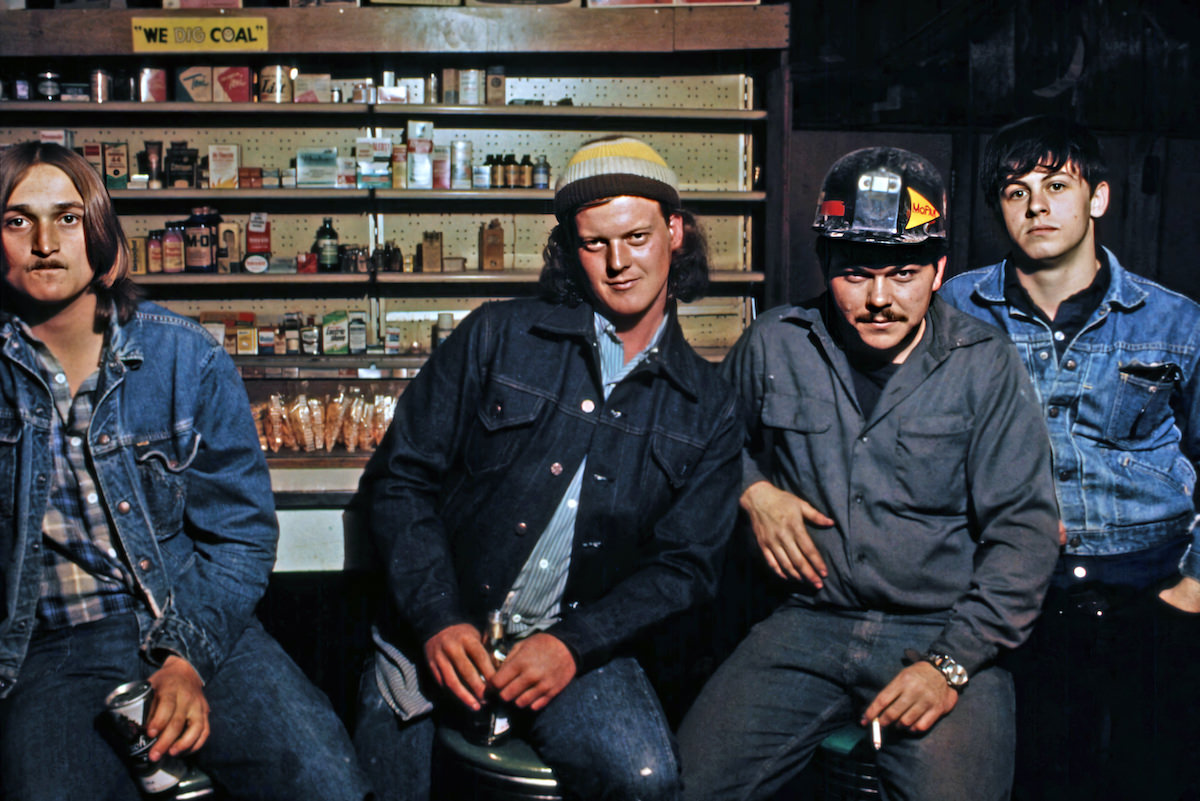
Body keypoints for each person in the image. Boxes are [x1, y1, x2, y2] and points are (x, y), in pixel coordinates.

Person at [353, 135, 742, 801]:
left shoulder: (707, 405)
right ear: (570, 249)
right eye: (596, 244)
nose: (620, 263)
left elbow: (685, 568)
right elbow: (398, 480)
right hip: (436, 628)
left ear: (675, 232)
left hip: (579, 644)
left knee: (646, 780)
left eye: (638, 236)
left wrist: (573, 644)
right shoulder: (498, 335)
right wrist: (438, 615)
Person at [677, 146, 1061, 801]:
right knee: (680, 787)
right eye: (856, 274)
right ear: (825, 265)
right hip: (807, 622)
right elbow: (700, 445)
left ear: (939, 270)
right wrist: (753, 489)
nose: (880, 298)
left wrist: (949, 664)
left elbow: (1024, 535)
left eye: (905, 272)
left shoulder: (985, 365)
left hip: (943, 628)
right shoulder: (775, 343)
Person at [0, 141, 371, 801]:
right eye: (17, 219)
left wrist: (187, 655)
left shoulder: (185, 356)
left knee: (327, 780)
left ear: (104, 240)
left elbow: (241, 535)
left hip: (186, 611)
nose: (45, 242)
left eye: (67, 217)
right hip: (49, 643)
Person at [940, 115, 1200, 801]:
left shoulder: (1174, 321)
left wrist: (1196, 583)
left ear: (1099, 197)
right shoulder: (952, 308)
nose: (1037, 206)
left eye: (1057, 185)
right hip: (1013, 594)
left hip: (1154, 590)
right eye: (1016, 190)